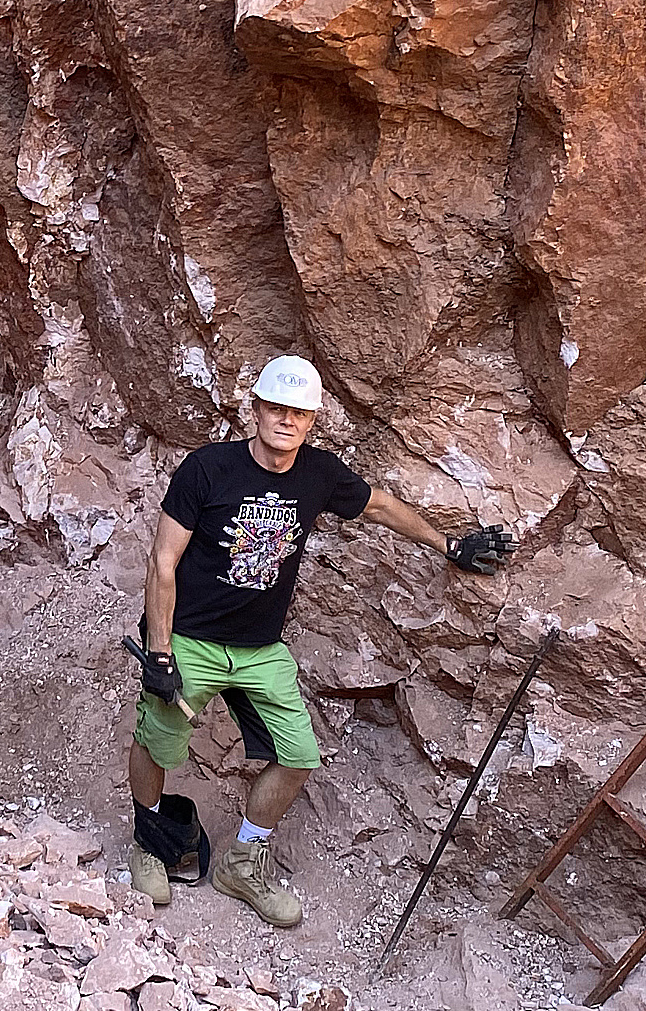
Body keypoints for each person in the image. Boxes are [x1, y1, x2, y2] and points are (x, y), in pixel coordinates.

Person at [127, 354, 516, 926]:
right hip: (194, 639)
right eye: (276, 408)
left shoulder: (318, 474)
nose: (286, 420)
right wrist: (160, 652)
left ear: (311, 421)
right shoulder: (207, 470)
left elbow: (379, 506)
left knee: (298, 756)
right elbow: (164, 561)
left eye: (299, 413)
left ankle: (242, 861)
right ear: (255, 409)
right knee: (159, 740)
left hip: (262, 648)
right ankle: (149, 839)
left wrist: (447, 545)